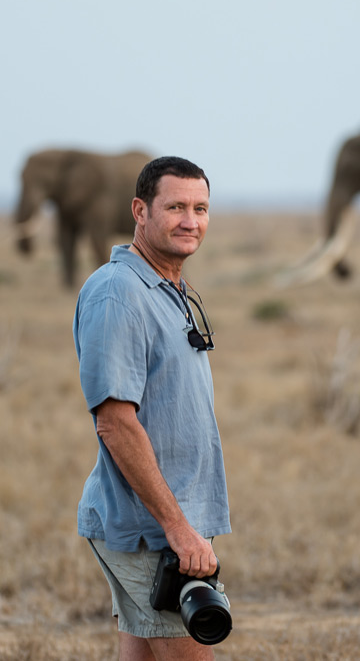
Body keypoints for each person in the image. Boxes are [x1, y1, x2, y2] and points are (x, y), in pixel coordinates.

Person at [73, 155, 230, 661]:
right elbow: (115, 423)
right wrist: (178, 528)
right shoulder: (119, 294)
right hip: (151, 530)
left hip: (163, 523)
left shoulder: (167, 287)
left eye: (201, 208)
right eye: (176, 207)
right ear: (140, 210)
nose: (191, 220)